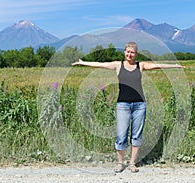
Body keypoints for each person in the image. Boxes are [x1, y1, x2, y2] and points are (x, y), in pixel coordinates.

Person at [72, 41, 185, 173]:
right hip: (123, 105)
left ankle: (132, 163)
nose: (129, 54)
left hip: (140, 105)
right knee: (121, 135)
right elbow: (100, 65)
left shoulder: (140, 65)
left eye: (132, 52)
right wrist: (83, 62)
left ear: (136, 54)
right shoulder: (118, 65)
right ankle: (120, 163)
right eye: (127, 52)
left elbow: (158, 65)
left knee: (136, 136)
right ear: (124, 52)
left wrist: (175, 65)